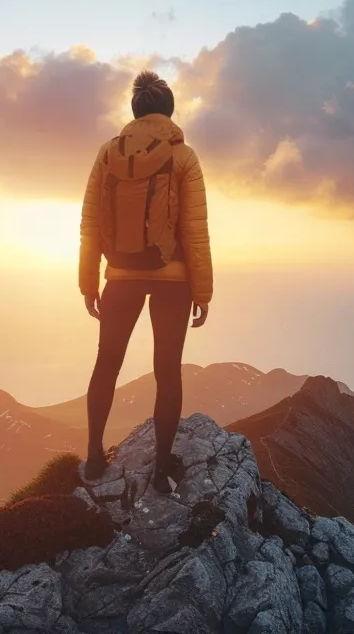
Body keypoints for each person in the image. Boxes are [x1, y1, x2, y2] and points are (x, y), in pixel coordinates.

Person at [78, 71, 213, 494]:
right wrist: (203, 292)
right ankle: (159, 472)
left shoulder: (106, 154)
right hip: (173, 280)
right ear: (169, 113)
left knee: (107, 363)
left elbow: (90, 223)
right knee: (167, 372)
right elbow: (195, 230)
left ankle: (96, 459)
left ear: (134, 113)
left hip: (119, 275)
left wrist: (88, 283)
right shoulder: (184, 157)